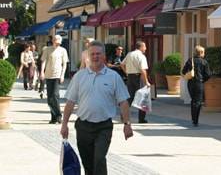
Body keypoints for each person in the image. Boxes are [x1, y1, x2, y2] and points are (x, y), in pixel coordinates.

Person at [60, 40, 133, 175]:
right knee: (87, 164)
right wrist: (64, 124)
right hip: (83, 126)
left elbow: (123, 102)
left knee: (99, 159)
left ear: (104, 56)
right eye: (92, 54)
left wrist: (127, 124)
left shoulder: (113, 77)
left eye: (98, 54)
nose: (95, 57)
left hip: (103, 127)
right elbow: (70, 102)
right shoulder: (79, 76)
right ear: (88, 56)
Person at [40, 35, 69, 124]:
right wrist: (42, 72)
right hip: (48, 75)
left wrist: (62, 75)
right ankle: (53, 117)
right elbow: (43, 61)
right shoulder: (47, 50)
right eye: (56, 41)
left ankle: (59, 116)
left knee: (55, 95)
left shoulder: (63, 50)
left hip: (57, 75)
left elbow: (64, 64)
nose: (58, 43)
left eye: (59, 42)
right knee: (49, 98)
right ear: (53, 41)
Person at [120, 41, 150, 124]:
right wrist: (146, 81)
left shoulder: (129, 54)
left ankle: (123, 115)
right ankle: (141, 119)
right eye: (144, 47)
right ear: (141, 47)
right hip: (139, 77)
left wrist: (127, 72)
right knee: (143, 98)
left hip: (130, 77)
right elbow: (143, 70)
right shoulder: (141, 56)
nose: (145, 48)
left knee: (129, 97)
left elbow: (122, 64)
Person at [181, 45, 210, 127]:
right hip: (199, 83)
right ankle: (195, 120)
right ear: (201, 53)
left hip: (190, 83)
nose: (204, 54)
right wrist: (203, 80)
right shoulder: (204, 62)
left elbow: (183, 71)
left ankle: (193, 119)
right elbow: (208, 74)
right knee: (198, 101)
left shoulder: (190, 60)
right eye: (203, 52)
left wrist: (188, 75)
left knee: (193, 100)